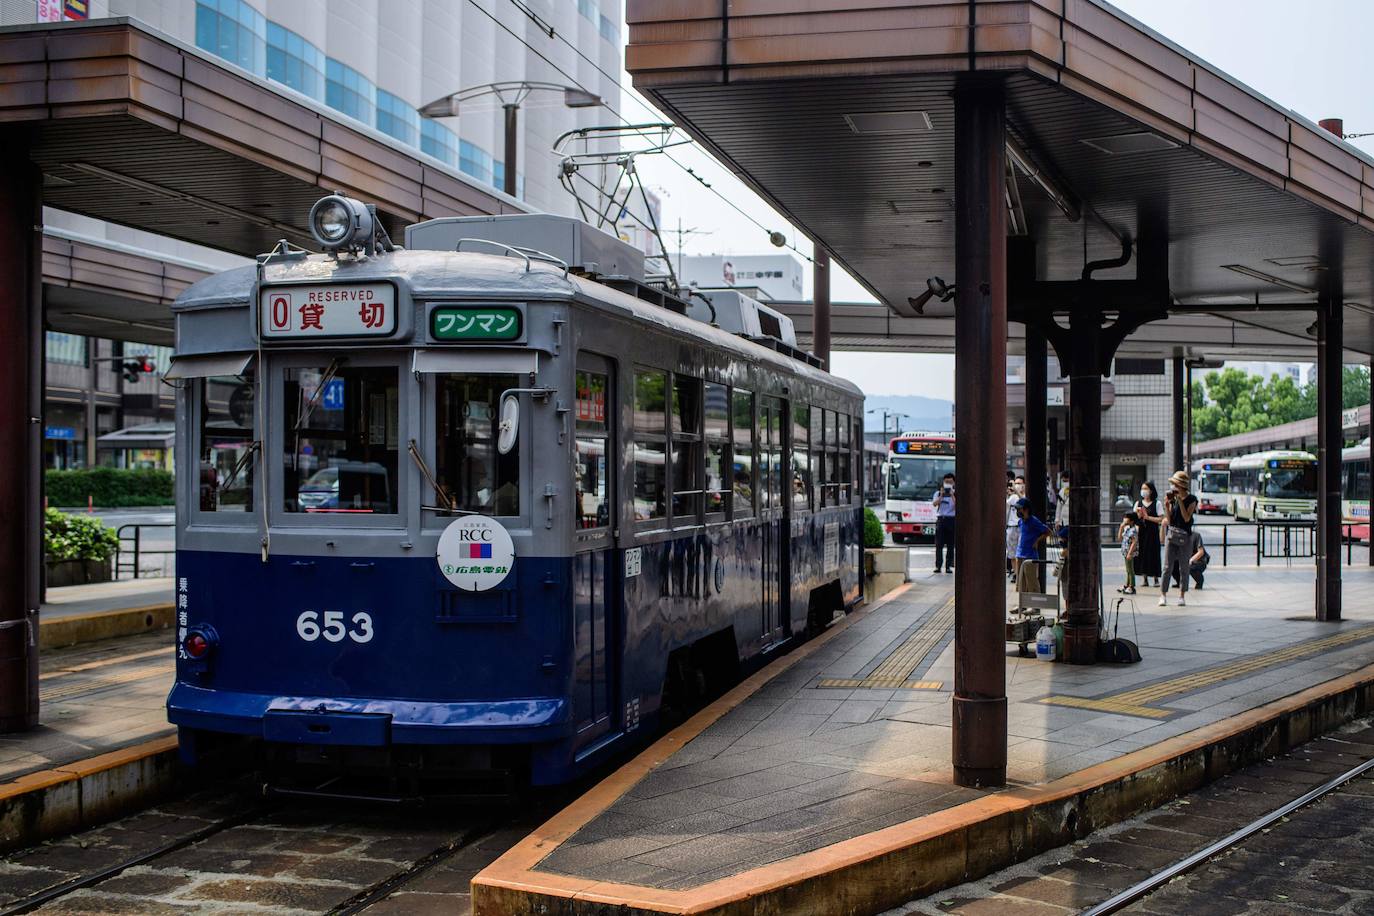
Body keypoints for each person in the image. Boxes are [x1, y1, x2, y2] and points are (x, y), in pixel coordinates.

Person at [1159, 470, 1198, 606]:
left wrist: (1180, 501)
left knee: (1184, 567)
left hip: (1185, 536)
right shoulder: (1173, 499)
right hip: (1172, 534)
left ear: (1181, 485)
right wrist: (1167, 507)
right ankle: (1163, 595)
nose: (1173, 487)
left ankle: (1182, 595)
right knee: (1167, 566)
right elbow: (1170, 521)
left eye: (1175, 484)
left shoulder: (1192, 499)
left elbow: (1187, 518)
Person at [1013, 498, 1050, 598]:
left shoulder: (1034, 521)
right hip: (1020, 553)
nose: (1018, 511)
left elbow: (1048, 531)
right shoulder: (1020, 522)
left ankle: (1035, 606)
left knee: (1032, 581)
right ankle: (1022, 604)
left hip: (1030, 555)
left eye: (1019, 509)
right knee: (1021, 582)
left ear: (1026, 509)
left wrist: (1037, 541)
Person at [1134, 481, 1164, 588]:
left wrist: (1148, 518)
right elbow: (1135, 519)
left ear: (1151, 490)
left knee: (1154, 553)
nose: (1144, 491)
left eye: (1146, 488)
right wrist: (1138, 515)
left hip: (1153, 532)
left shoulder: (1157, 503)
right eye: (1142, 488)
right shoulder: (1138, 503)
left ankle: (1156, 578)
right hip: (1142, 532)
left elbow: (1161, 519)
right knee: (1142, 553)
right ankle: (1144, 578)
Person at [932, 472, 956, 574]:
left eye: (950, 482)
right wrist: (941, 495)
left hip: (951, 520)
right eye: (946, 482)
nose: (948, 484)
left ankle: (948, 566)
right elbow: (934, 504)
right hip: (941, 519)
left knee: (951, 544)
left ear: (954, 482)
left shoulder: (955, 493)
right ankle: (938, 566)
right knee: (939, 544)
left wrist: (951, 495)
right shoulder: (938, 493)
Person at [1005, 475, 1026, 579]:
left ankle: (1021, 575)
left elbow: (1024, 501)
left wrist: (1016, 491)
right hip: (1011, 527)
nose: (1016, 485)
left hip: (1021, 527)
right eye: (1015, 483)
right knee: (1012, 553)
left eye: (1019, 483)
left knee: (1020, 553)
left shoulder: (1024, 496)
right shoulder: (1012, 497)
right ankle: (1016, 574)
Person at [1117, 513, 1139, 595]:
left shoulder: (1133, 530)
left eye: (1126, 518)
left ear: (1131, 521)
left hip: (1129, 553)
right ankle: (1127, 585)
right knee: (1128, 570)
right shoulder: (1127, 529)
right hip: (1125, 552)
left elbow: (1134, 542)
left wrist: (1130, 553)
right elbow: (1119, 538)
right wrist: (1121, 527)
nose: (1124, 519)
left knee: (1130, 570)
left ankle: (1131, 586)